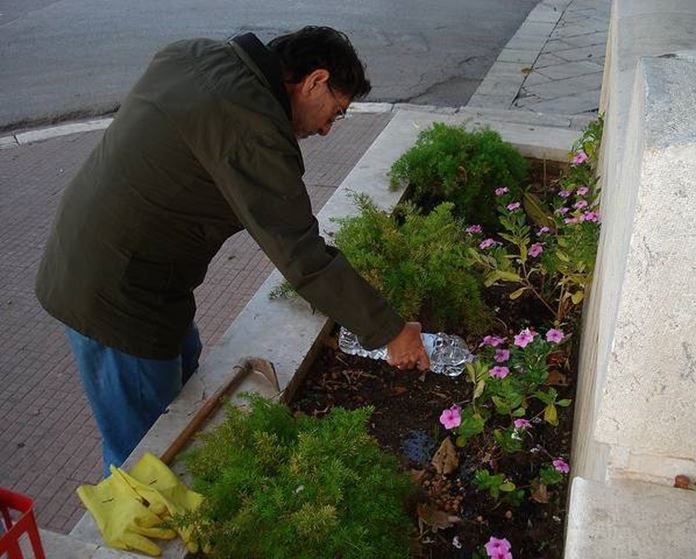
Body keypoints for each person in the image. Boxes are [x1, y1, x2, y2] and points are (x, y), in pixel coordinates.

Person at [35, 26, 430, 473]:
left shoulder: (197, 54)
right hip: (117, 297)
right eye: (334, 113)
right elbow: (302, 254)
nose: (325, 130)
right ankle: (138, 537)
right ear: (315, 80)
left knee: (184, 391)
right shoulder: (250, 127)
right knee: (146, 457)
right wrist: (390, 331)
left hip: (120, 265)